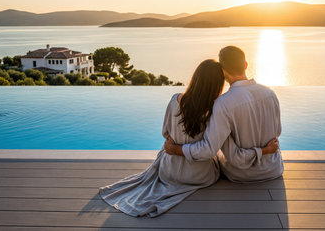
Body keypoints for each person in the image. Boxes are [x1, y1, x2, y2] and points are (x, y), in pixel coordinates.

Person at [99, 59, 278, 217]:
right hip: (202, 176)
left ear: (196, 78)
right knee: (216, 155)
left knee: (166, 150)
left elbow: (165, 133)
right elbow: (210, 149)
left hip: (169, 171)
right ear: (217, 84)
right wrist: (264, 150)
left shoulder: (175, 100)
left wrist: (176, 147)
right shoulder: (215, 109)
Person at [165, 46, 284, 182]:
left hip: (241, 174)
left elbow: (217, 151)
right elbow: (277, 133)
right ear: (245, 65)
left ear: (223, 71)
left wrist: (176, 149)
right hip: (274, 169)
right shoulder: (271, 94)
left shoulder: (223, 103)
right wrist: (265, 151)